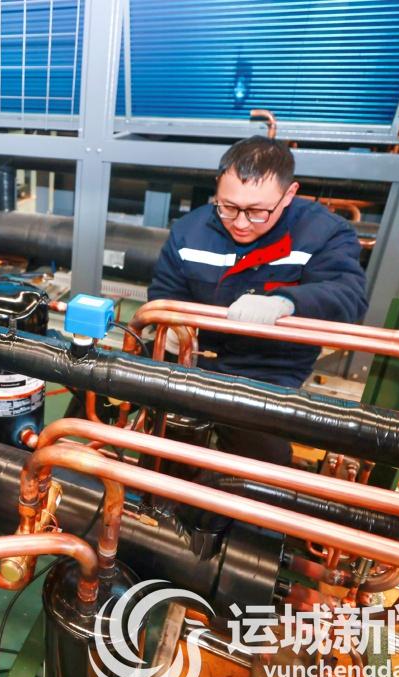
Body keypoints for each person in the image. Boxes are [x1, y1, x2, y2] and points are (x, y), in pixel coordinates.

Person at [148, 136, 368, 465]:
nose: (240, 222)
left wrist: (285, 302)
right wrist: (174, 330)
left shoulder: (323, 233)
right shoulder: (189, 231)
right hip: (194, 358)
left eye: (256, 212)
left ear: (289, 194)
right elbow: (165, 292)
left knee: (258, 468)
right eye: (228, 206)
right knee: (159, 442)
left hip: (268, 371)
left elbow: (348, 295)